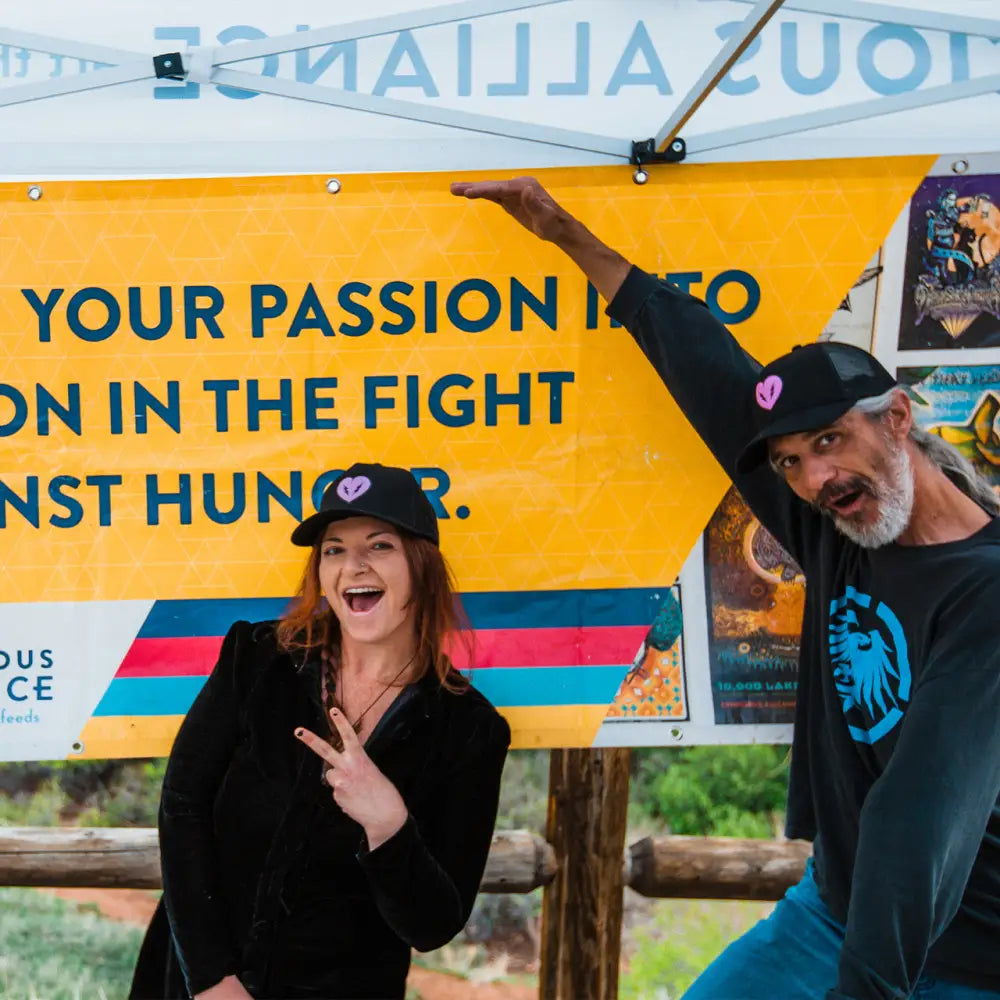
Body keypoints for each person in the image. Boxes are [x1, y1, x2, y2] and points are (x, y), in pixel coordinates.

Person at [450, 177, 1000, 1000]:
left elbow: (917, 811)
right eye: (790, 462)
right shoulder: (842, 521)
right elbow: (708, 371)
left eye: (830, 440)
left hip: (960, 956)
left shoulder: (985, 595)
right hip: (834, 913)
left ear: (896, 418)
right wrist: (565, 234)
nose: (816, 478)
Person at [129, 461, 511, 1000]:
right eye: (334, 549)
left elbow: (432, 926)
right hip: (196, 981)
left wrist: (389, 824)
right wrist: (212, 978)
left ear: (421, 565)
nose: (353, 565)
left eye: (379, 546)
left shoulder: (469, 730)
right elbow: (182, 807)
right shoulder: (258, 659)